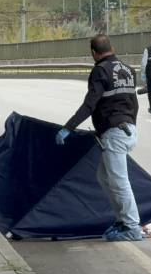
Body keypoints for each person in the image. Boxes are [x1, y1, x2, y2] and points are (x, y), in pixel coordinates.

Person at [56, 35, 143, 242]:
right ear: (112, 48)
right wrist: (130, 124)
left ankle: (132, 226)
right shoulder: (128, 69)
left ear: (94, 53)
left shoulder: (100, 71)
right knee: (104, 177)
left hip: (115, 132)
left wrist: (68, 127)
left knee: (119, 181)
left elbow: (90, 104)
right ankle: (122, 221)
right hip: (127, 129)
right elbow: (133, 102)